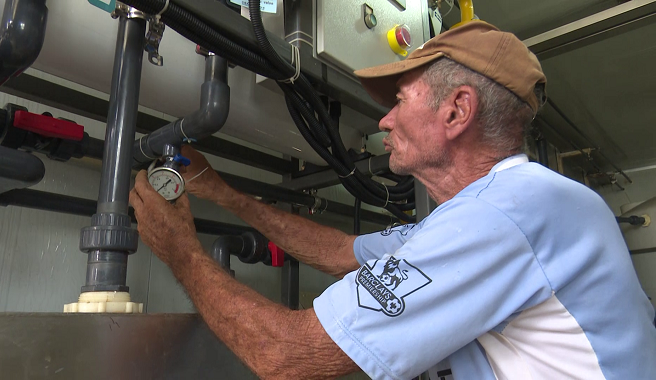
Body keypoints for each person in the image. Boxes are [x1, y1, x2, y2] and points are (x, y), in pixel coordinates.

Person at [129, 21, 656, 379]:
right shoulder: (480, 212)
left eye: (400, 100)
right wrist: (221, 193)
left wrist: (181, 250)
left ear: (456, 112)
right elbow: (340, 251)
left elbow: (285, 357)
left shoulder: (508, 213)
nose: (383, 120)